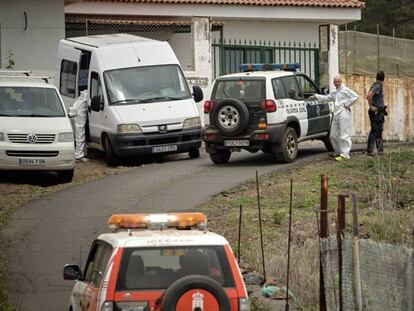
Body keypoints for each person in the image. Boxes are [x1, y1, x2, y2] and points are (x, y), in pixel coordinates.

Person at [311, 76, 359, 161]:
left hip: (344, 113)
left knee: (344, 135)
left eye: (338, 81)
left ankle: (345, 155)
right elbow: (327, 97)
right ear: (333, 83)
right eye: (335, 82)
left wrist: (346, 104)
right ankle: (338, 151)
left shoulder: (345, 90)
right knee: (333, 135)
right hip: (336, 113)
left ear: (341, 82)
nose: (337, 83)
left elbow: (355, 96)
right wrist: (316, 96)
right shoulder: (334, 92)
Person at [366, 71, 386, 156]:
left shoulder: (375, 85)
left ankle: (379, 150)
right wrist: (371, 106)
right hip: (376, 112)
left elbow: (369, 96)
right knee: (375, 131)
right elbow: (369, 95)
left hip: (378, 112)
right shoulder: (377, 86)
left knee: (379, 131)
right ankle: (370, 151)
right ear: (384, 78)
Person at [72, 90, 89, 163]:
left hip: (76, 110)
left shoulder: (85, 93)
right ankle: (78, 156)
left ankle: (82, 153)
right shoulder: (88, 94)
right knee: (80, 134)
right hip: (79, 113)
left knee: (79, 134)